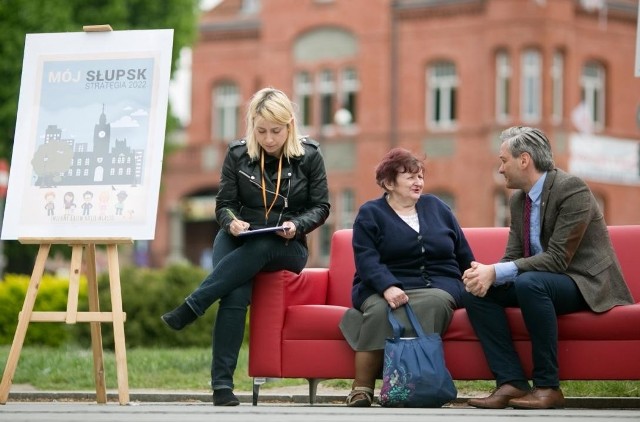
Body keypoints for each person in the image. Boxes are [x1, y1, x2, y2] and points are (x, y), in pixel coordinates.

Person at [161, 87, 330, 406]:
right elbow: (224, 203)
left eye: (276, 131)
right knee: (235, 295)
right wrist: (231, 222)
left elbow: (321, 207)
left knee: (264, 244)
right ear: (252, 125)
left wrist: (296, 225)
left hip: (287, 244)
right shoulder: (238, 154)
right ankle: (222, 387)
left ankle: (194, 305)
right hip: (241, 237)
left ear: (290, 125)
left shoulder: (310, 156)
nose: (268, 139)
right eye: (261, 130)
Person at [461, 126, 634, 410]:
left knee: (530, 283)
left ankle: (548, 387)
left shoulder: (572, 188)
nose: (500, 169)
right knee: (476, 292)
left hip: (583, 282)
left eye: (504, 160)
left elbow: (557, 260)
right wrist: (486, 274)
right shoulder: (519, 199)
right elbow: (514, 256)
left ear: (524, 160)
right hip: (542, 282)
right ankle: (512, 381)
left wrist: (496, 271)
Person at [339, 148, 474, 407]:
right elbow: (366, 259)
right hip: (381, 284)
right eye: (410, 177)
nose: (418, 183)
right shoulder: (371, 213)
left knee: (434, 302)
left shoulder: (438, 207)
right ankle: (362, 388)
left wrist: (476, 275)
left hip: (438, 283)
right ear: (389, 183)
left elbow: (462, 251)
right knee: (379, 311)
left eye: (421, 177)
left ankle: (418, 384)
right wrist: (387, 286)